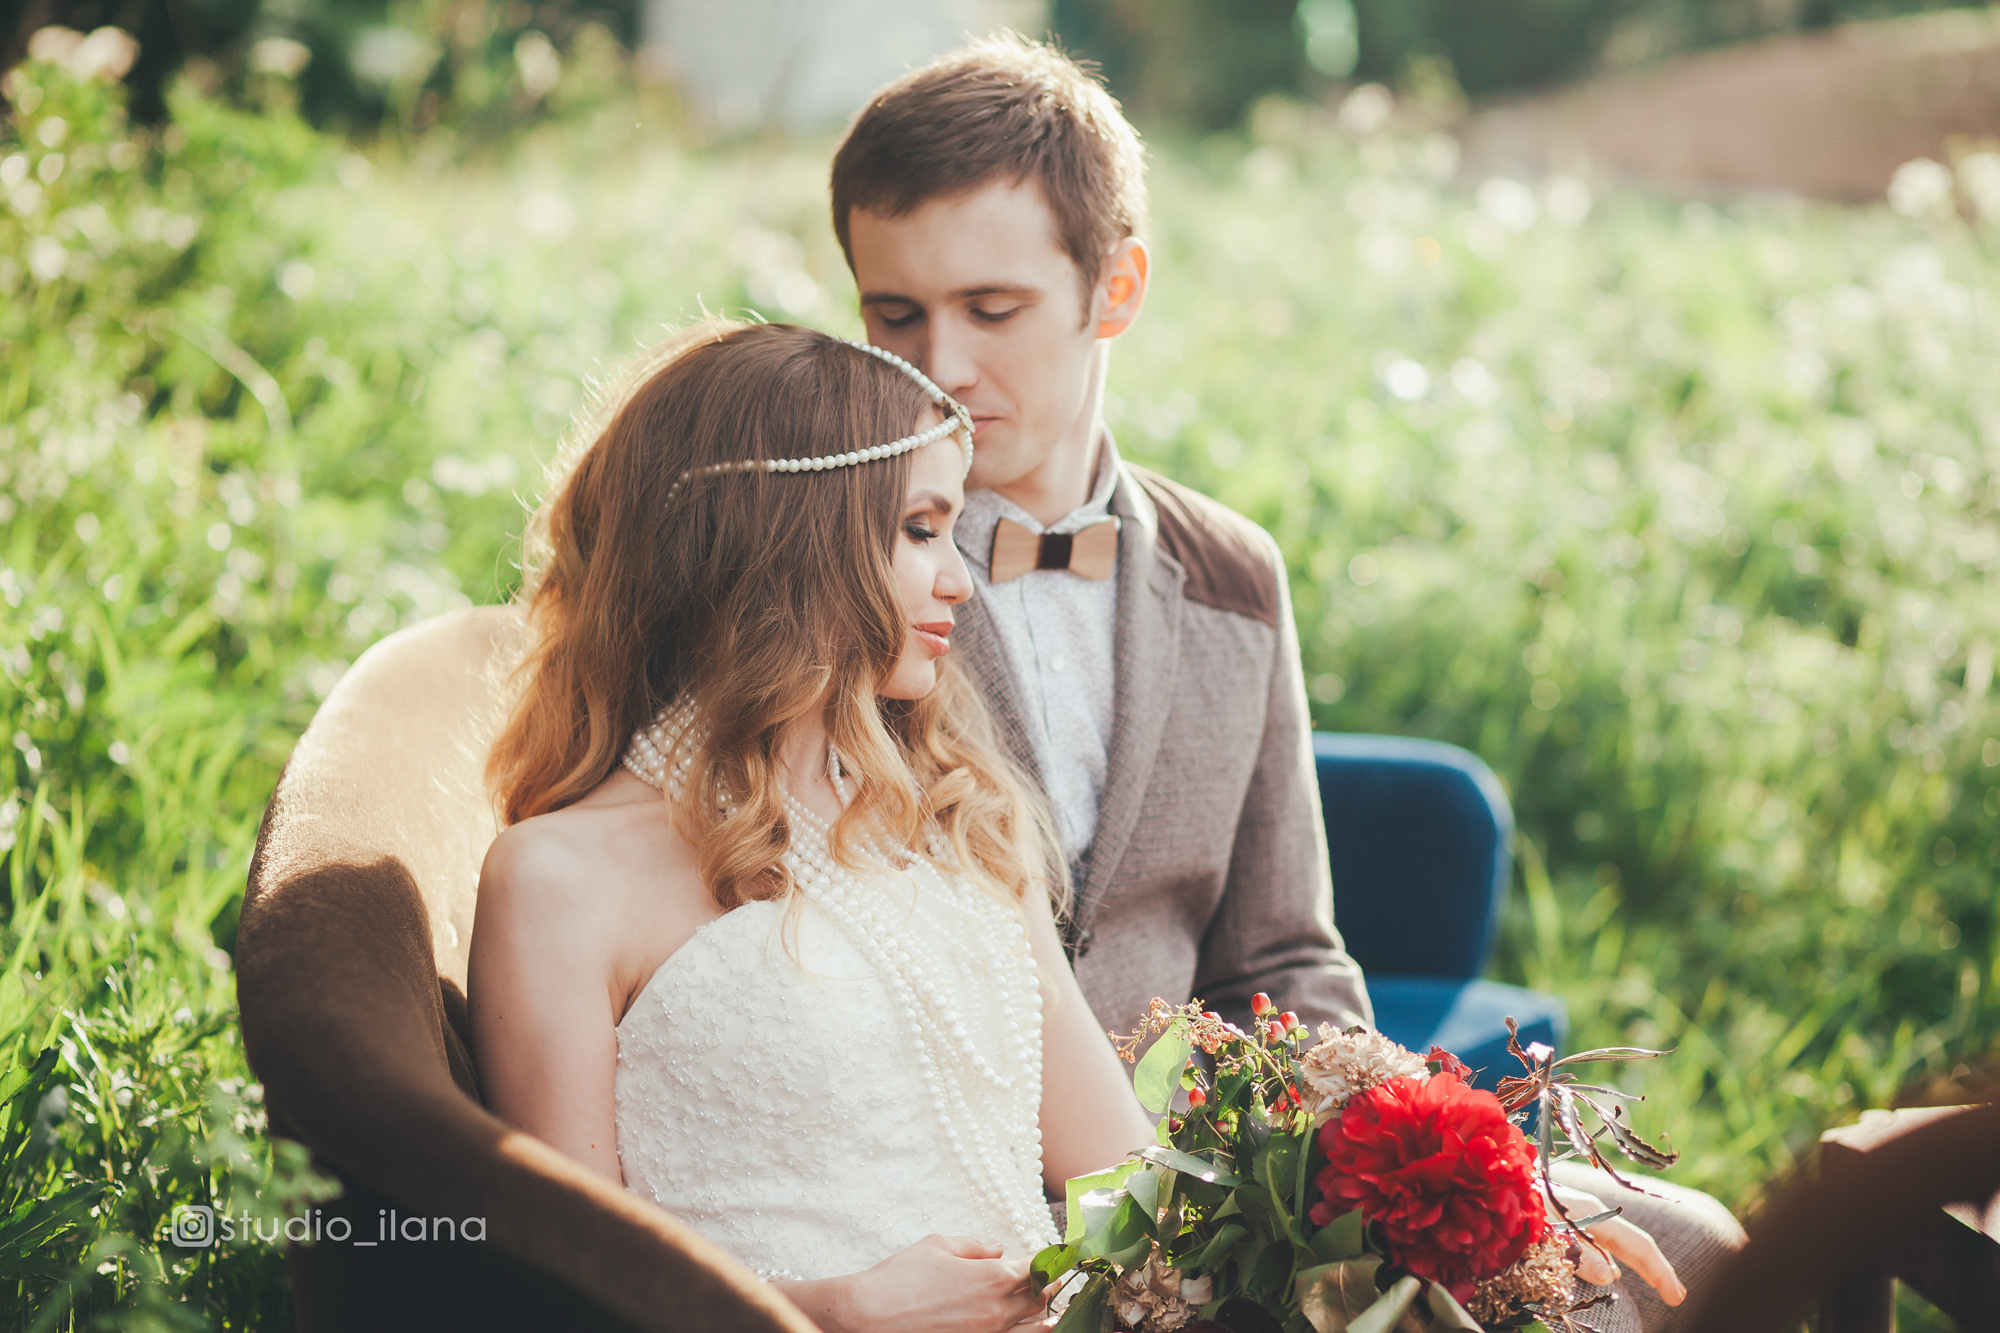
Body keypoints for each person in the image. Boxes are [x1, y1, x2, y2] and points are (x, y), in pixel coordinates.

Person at [827, 33, 1743, 1330]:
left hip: (1216, 1170)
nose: (944, 367)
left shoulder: (1234, 577)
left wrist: (1374, 1165)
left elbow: (1283, 949)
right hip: (950, 1193)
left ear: (1118, 285)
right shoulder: (823, 575)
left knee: (1697, 1247)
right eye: (895, 313)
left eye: (993, 309)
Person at [465, 318, 1156, 1333]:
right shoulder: (560, 879)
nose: (958, 577)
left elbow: (1128, 1181)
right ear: (785, 539)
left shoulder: (953, 821)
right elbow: (564, 1290)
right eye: (920, 530)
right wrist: (832, 1312)